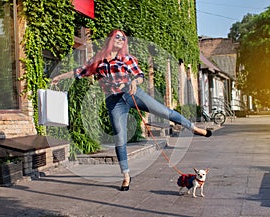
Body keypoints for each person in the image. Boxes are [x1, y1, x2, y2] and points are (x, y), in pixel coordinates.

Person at [51, 29, 212, 191]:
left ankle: (195, 128)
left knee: (165, 112)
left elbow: (139, 75)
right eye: (117, 37)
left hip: (133, 93)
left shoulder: (127, 58)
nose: (121, 40)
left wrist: (135, 82)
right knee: (119, 137)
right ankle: (126, 176)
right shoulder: (98, 60)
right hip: (114, 101)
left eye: (123, 38)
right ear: (111, 39)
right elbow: (79, 71)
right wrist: (58, 77)